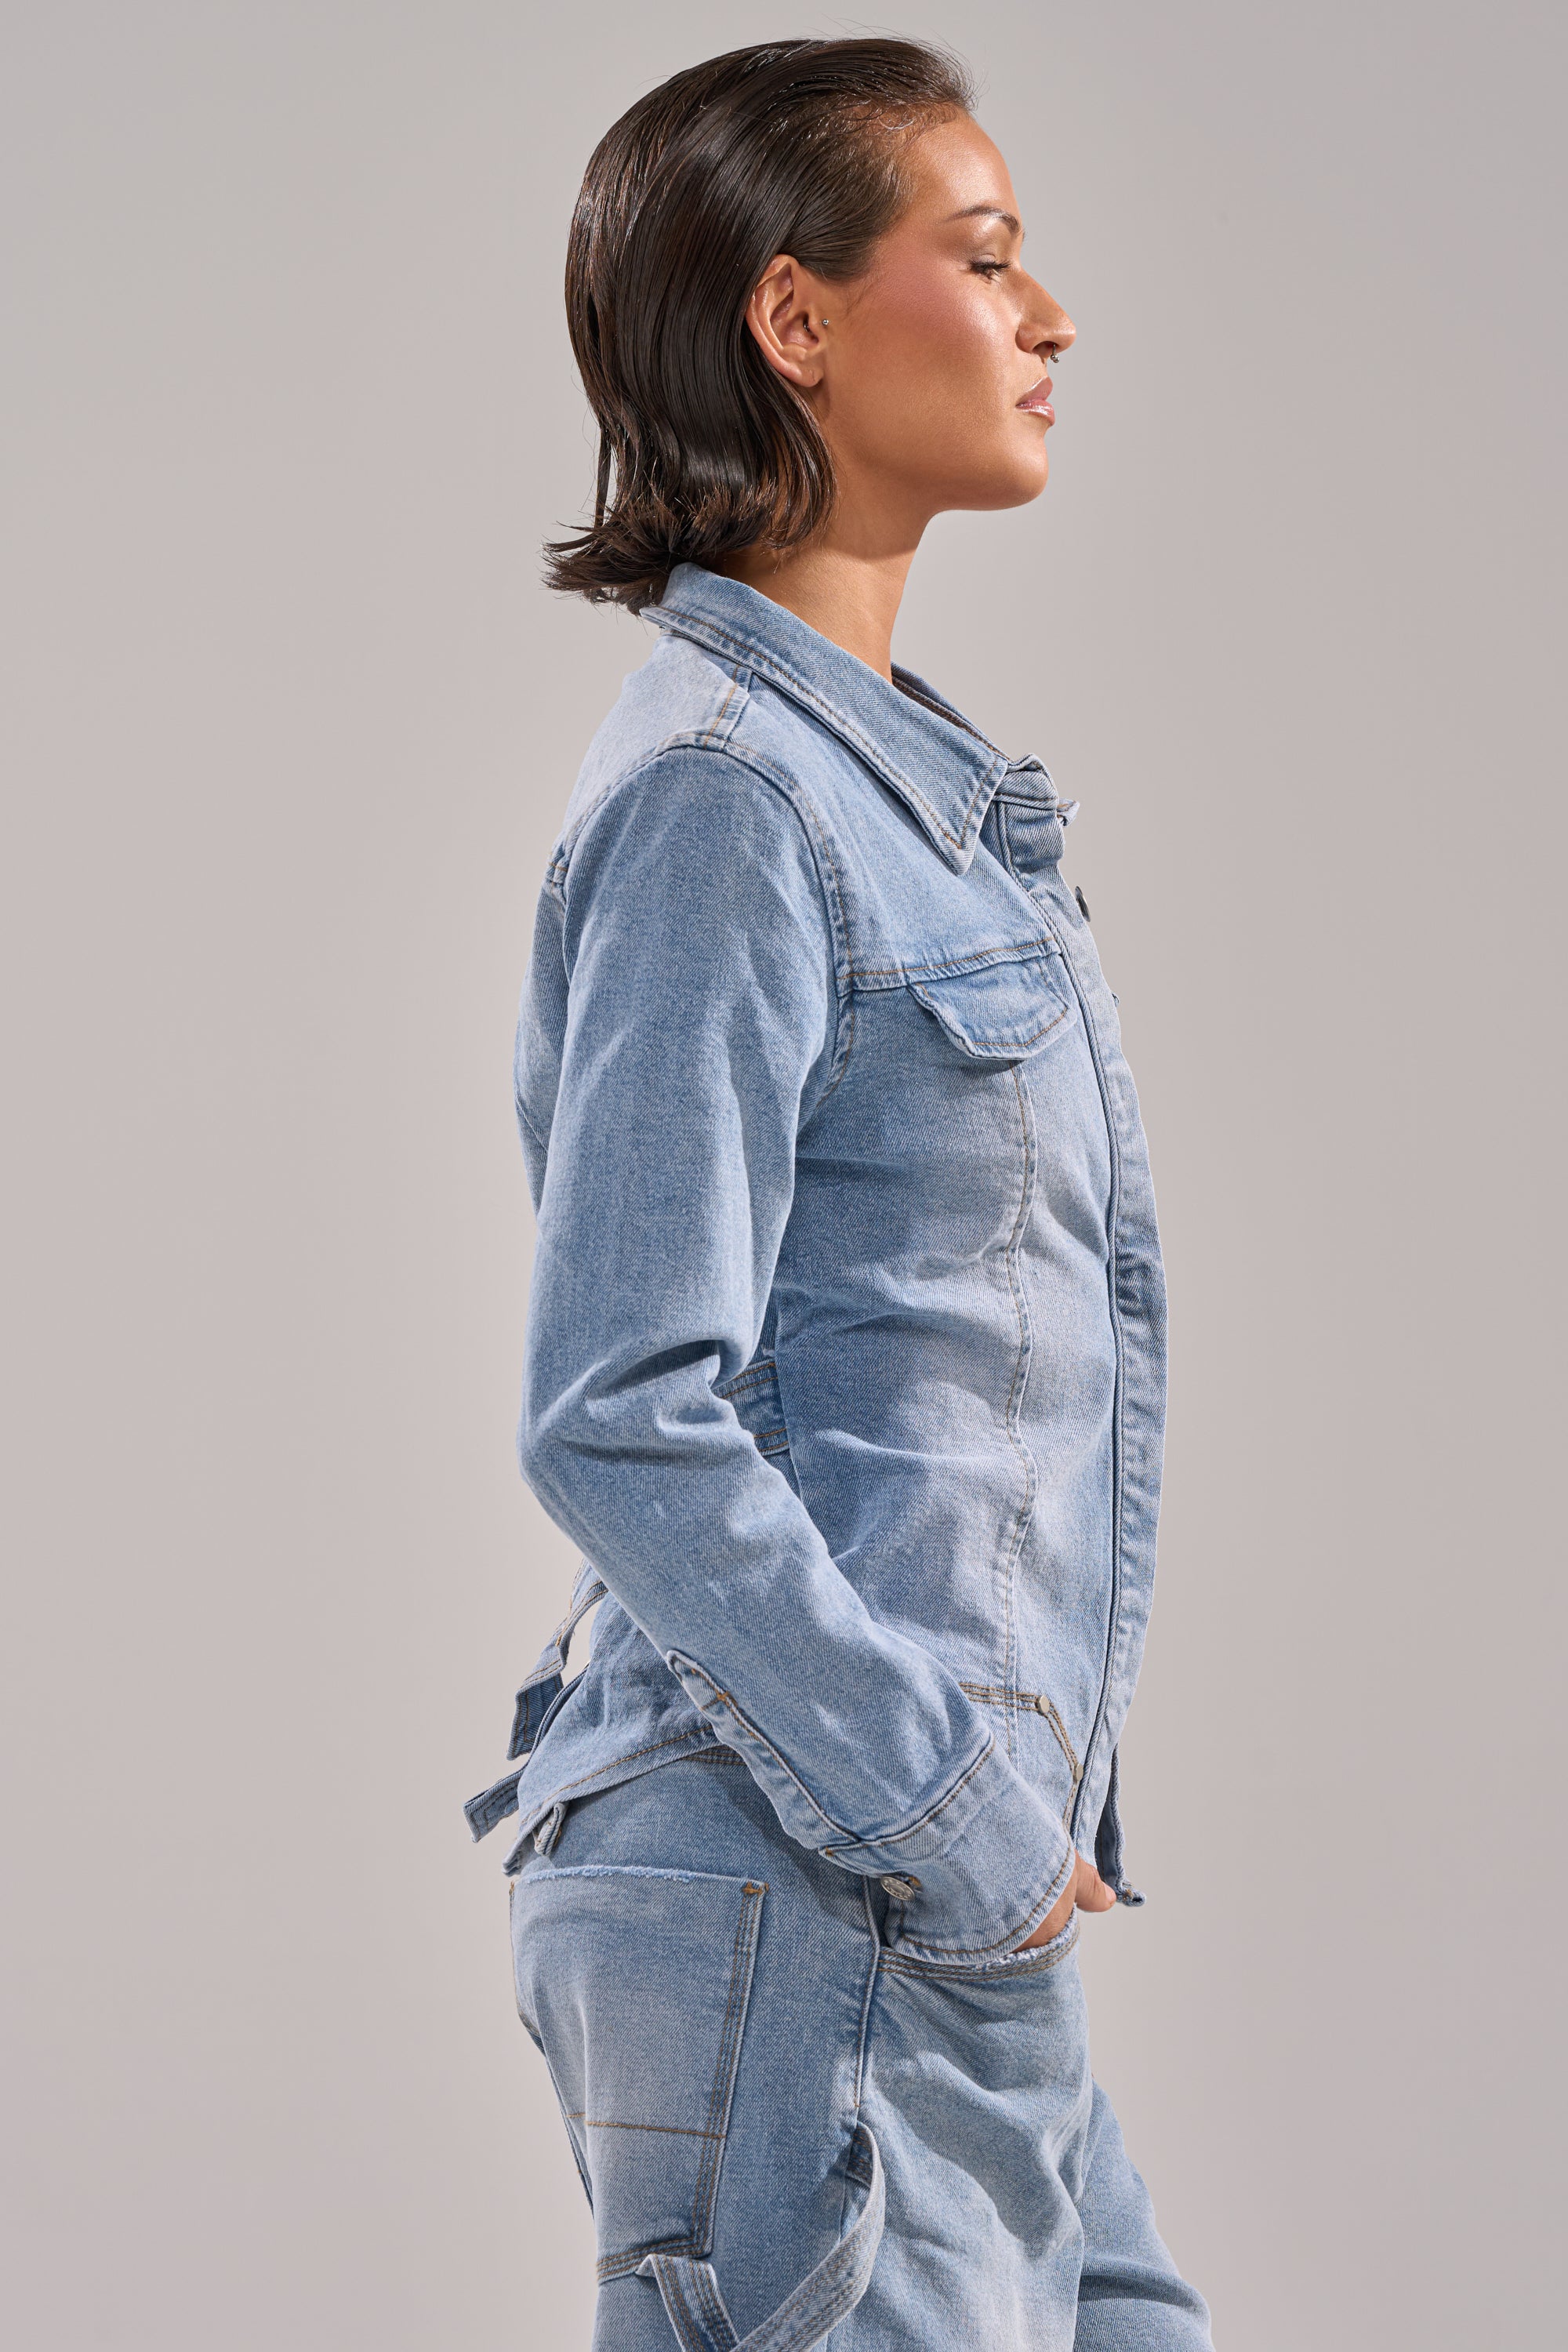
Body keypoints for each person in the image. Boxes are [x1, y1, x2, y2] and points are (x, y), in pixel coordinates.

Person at [466, 35, 1215, 2350]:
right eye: (984, 261)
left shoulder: (897, 801)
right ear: (799, 322)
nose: (1049, 318)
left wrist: (1000, 1844)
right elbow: (619, 1405)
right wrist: (965, 1827)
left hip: (918, 1880)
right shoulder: (728, 804)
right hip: (829, 1874)